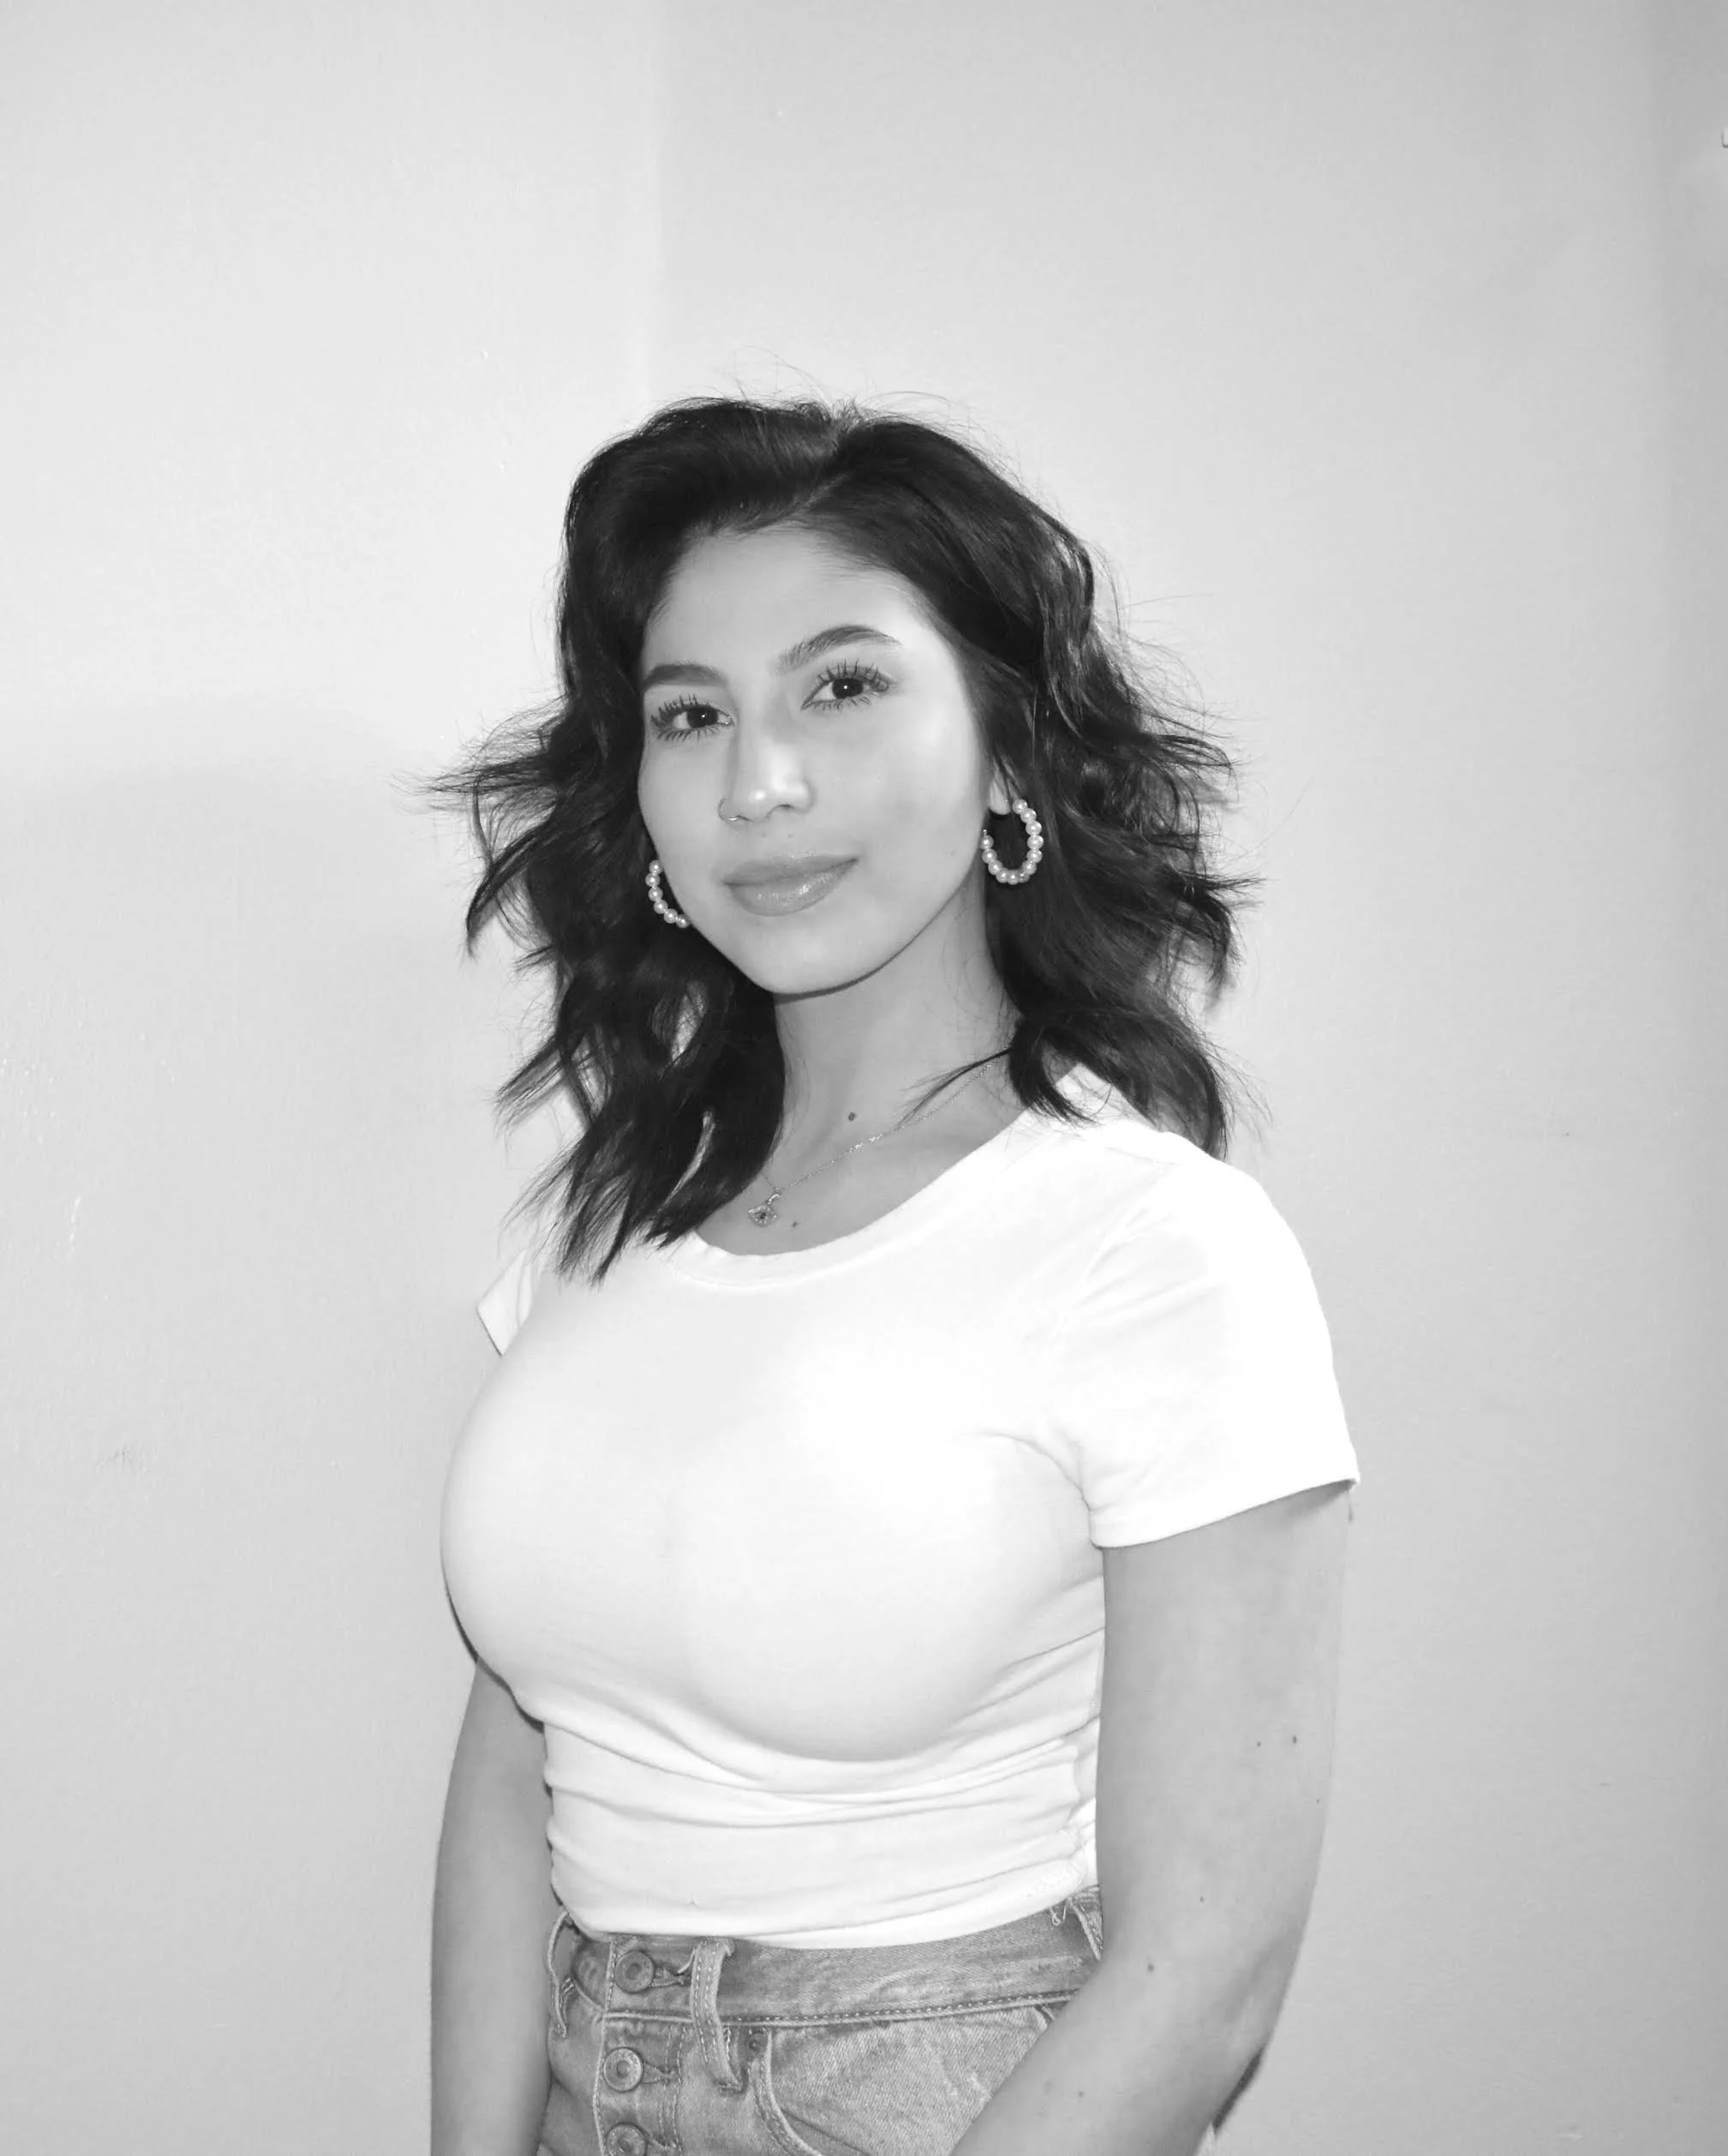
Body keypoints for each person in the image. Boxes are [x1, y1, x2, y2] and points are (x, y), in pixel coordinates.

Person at [424, 395, 1360, 2156]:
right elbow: (521, 1752)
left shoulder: (1152, 1247)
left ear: (1008, 752)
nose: (757, 781)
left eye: (842, 686)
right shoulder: (599, 1221)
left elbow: (1206, 1969)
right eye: (690, 713)